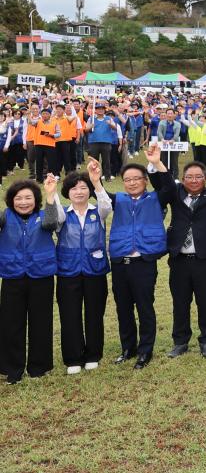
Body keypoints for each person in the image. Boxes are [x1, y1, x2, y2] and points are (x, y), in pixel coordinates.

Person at [107, 143, 175, 369]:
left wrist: (156, 162)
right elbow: (95, 192)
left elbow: (170, 188)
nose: (132, 182)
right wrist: (95, 177)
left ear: (145, 180)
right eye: (128, 179)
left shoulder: (156, 198)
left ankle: (145, 351)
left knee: (145, 306)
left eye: (137, 178)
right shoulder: (118, 200)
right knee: (123, 307)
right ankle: (128, 348)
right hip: (120, 262)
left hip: (144, 262)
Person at [162, 147, 206, 359]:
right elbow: (162, 184)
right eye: (189, 177)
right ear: (182, 179)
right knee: (180, 301)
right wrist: (157, 164)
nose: (193, 180)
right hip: (179, 258)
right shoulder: (175, 194)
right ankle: (180, 341)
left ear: (205, 178)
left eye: (198, 177)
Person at [52, 160, 112, 374]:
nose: (79, 192)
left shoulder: (99, 212)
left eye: (83, 187)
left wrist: (96, 181)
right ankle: (73, 358)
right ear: (67, 193)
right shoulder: (63, 214)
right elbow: (53, 215)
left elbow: (107, 203)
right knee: (70, 315)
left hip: (94, 270)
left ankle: (93, 354)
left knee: (95, 314)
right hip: (68, 271)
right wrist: (51, 194)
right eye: (74, 188)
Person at [0, 178, 61, 384]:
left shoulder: (44, 216)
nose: (23, 202)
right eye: (18, 198)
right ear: (11, 201)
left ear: (36, 200)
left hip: (41, 276)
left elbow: (52, 223)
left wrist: (51, 194)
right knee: (11, 323)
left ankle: (39, 367)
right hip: (12, 276)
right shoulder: (5, 217)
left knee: (41, 322)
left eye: (28, 198)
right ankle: (12, 369)